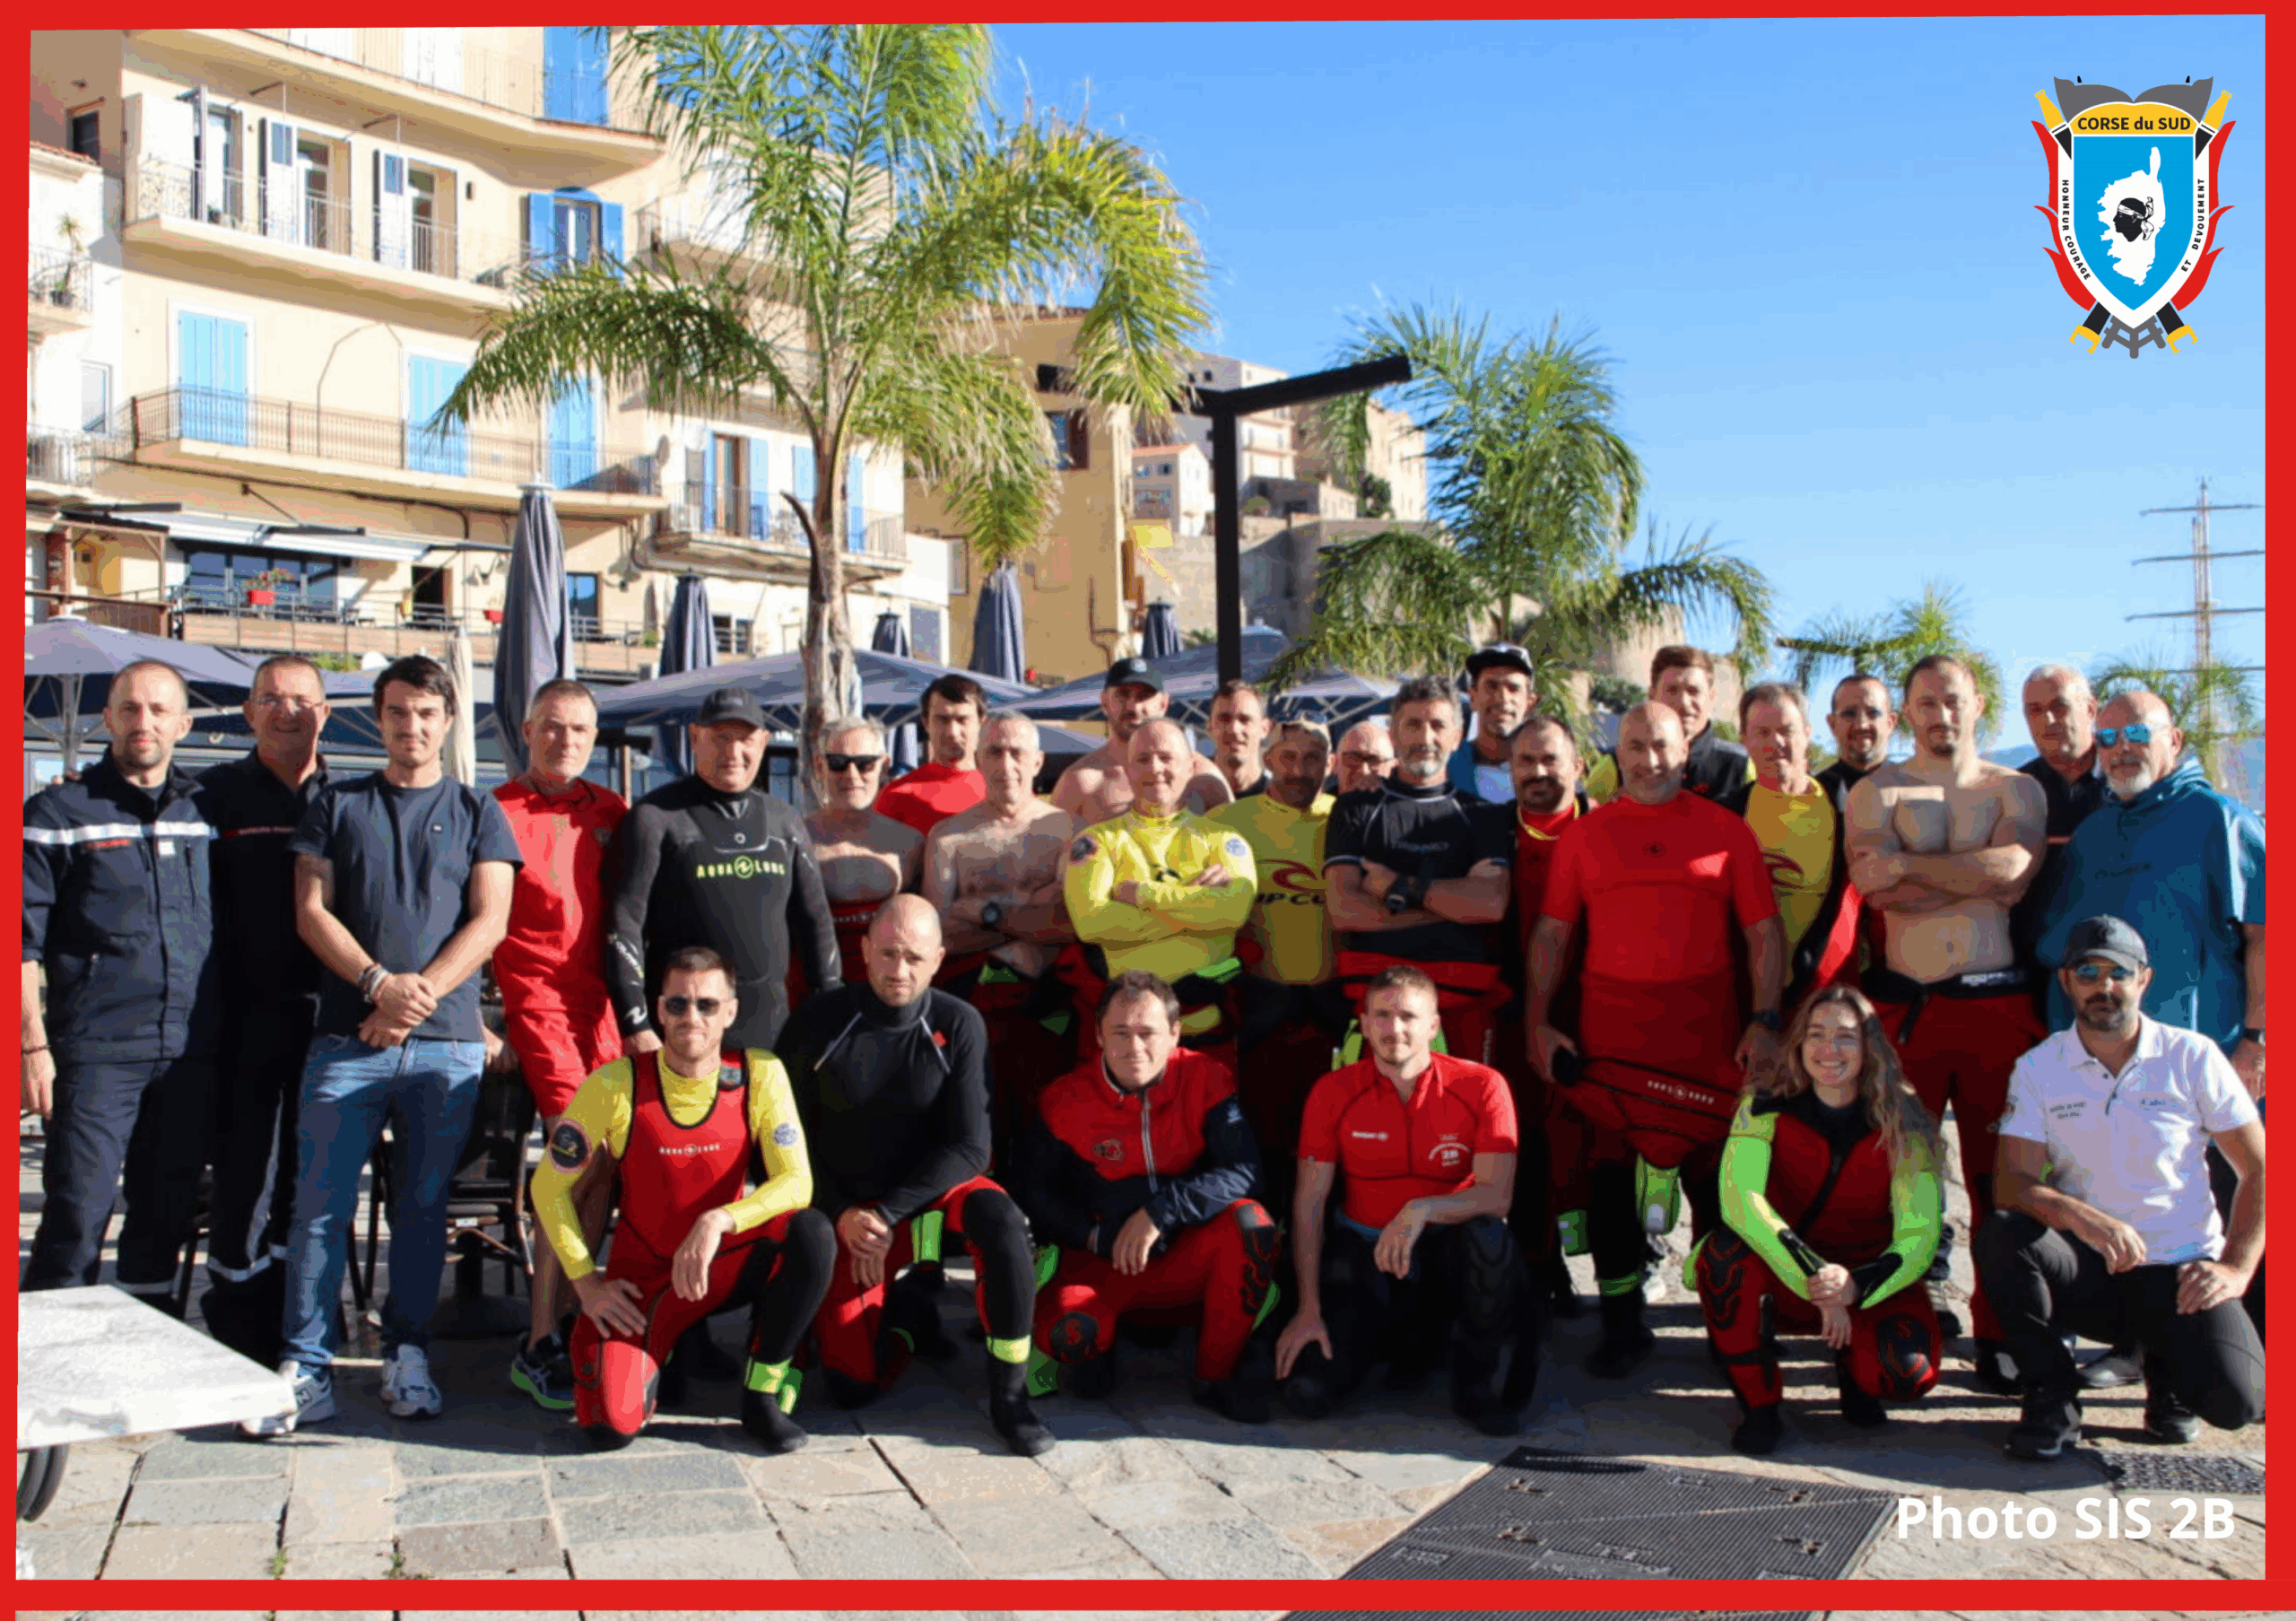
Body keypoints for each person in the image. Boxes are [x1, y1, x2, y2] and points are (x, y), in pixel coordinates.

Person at [250, 655, 520, 1434]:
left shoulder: (478, 810)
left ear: (447, 721)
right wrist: (378, 985)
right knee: (318, 1211)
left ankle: (407, 1350)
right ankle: (305, 1363)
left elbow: (490, 920)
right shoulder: (336, 803)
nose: (412, 726)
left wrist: (414, 998)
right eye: (398, 712)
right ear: (379, 719)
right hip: (348, 1037)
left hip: (444, 1048)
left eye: (426, 713)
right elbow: (311, 910)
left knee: (422, 1208)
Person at [1526, 702, 1785, 1377]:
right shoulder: (1589, 834)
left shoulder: (1728, 831)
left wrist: (1766, 1019)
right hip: (1611, 1037)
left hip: (1709, 1037)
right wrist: (1537, 1018)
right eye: (1634, 746)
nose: (1648, 759)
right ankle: (1620, 1325)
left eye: (1661, 745)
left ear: (1688, 749)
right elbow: (1553, 932)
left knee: (1720, 1192)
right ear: (1616, 752)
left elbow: (1764, 933)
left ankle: (1729, 1326)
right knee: (1610, 1184)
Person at [1979, 915, 2265, 1460]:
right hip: (2093, 1271)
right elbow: (2012, 1184)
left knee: (2236, 1404)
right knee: (2004, 1234)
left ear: (2144, 980)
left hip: (2181, 1276)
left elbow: (2263, 1170)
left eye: (2119, 973)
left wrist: (2235, 1270)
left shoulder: (2193, 1056)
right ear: (2067, 981)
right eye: (2088, 971)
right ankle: (2052, 1399)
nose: (2103, 986)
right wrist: (2081, 1217)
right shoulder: (2039, 1068)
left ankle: (2168, 1374)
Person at [775, 896, 1052, 1456]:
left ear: (938, 959)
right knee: (851, 1387)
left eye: (914, 958)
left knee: (1001, 1219)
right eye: (888, 954)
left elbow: (973, 1147)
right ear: (863, 950)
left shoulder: (958, 1021)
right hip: (848, 1213)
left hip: (917, 1209)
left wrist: (887, 1212)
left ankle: (1011, 1396)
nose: (899, 971)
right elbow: (781, 1144)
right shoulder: (816, 1021)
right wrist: (843, 1213)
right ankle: (905, 1317)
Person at [533, 946, 836, 1451]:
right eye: (677, 1005)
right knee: (609, 1427)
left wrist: (719, 1220)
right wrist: (586, 1284)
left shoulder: (761, 1073)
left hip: (720, 1263)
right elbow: (548, 1186)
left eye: (707, 1005)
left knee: (812, 1233)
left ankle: (761, 1395)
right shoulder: (615, 1083)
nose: (691, 1017)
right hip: (643, 1283)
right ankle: (667, 1351)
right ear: (658, 1008)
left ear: (731, 1011)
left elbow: (797, 1183)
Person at [2037, 690, 2266, 1345]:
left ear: (2175, 737)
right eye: (2106, 738)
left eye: (2137, 731)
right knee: (2126, 1208)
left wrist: (2257, 1041)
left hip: (2206, 1062)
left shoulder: (2220, 819)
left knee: (2211, 1212)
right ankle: (2134, 1348)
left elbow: (2268, 934)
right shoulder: (2095, 832)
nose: (2120, 748)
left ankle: (2212, 1354)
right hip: (2107, 1068)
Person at [1845, 654, 2048, 1393]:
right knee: (1905, 1173)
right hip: (1910, 1006)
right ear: (1907, 710)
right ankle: (1904, 1326)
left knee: (2006, 1181)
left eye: (1952, 698)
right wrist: (1971, 872)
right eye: (1925, 700)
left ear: (1977, 703)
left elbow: (2015, 874)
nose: (1941, 712)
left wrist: (1915, 869)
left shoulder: (2015, 786)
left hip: (1998, 1003)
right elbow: (1873, 882)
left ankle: (2005, 1331)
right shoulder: (1876, 790)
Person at [22, 661, 221, 1311]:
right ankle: (51, 1364)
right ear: (106, 718)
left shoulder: (205, 811)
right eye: (130, 709)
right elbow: (19, 946)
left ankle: (148, 1354)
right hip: (97, 1051)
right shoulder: (56, 811)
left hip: (189, 1052)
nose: (145, 722)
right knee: (78, 1211)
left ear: (183, 724)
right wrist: (32, 1049)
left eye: (160, 710)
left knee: (163, 1215)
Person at [1274, 965, 1533, 1435]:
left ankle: (1477, 1386)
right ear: (1366, 1023)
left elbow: (1497, 1197)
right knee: (1310, 1395)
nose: (1395, 1029)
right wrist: (1308, 1306)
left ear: (1434, 1025)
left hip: (1444, 1256)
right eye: (1383, 1016)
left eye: (1409, 1017)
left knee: (1488, 1238)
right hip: (1364, 1256)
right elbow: (1308, 1204)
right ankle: (1374, 1347)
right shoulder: (1333, 1091)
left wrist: (1422, 1210)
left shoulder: (1482, 1085)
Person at [1018, 972, 1279, 1422]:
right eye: (1120, 1032)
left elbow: (1245, 1171)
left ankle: (1214, 1375)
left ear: (1176, 1032)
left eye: (1148, 1033)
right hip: (1105, 1263)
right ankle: (1103, 1346)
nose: (1134, 1047)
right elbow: (1032, 1194)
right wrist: (1094, 1236)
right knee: (1070, 1340)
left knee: (1251, 1222)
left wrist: (1163, 1209)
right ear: (1099, 1034)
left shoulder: (1207, 1077)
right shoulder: (1063, 1100)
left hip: (1185, 1258)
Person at [1697, 988, 1944, 1456]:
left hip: (1867, 1278)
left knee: (1905, 1374)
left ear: (1870, 1047)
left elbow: (1921, 1233)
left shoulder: (1905, 1117)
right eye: (1817, 1034)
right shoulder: (1764, 1103)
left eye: (1846, 1037)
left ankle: (1856, 1372)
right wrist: (1818, 1280)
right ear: (1798, 1043)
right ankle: (1761, 1406)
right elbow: (1741, 1201)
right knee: (1723, 1260)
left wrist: (1854, 1288)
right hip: (1787, 1272)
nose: (1829, 1050)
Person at [491, 677, 628, 1411]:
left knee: (605, 1168)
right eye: (551, 727)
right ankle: (541, 1335)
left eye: (578, 729)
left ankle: (574, 1310)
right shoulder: (495, 810)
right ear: (526, 727)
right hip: (538, 1005)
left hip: (605, 1008)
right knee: (574, 1163)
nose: (564, 740)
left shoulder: (612, 811)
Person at [194, 655, 332, 1362]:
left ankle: (292, 1317)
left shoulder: (346, 797)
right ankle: (237, 1326)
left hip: (329, 1023)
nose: (288, 712)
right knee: (245, 1173)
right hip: (240, 1020)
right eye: (271, 699)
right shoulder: (211, 796)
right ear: (248, 713)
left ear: (325, 713)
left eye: (302, 700)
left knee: (306, 1179)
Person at [607, 684, 839, 1056]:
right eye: (720, 738)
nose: (733, 752)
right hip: (683, 1032)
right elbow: (624, 927)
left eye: (745, 739)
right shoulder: (655, 818)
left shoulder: (785, 821)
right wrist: (634, 1022)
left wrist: (830, 1003)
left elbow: (815, 921)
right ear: (695, 738)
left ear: (763, 742)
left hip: (771, 1031)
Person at [1324, 675, 1512, 1066]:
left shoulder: (1483, 815)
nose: (1425, 737)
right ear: (1392, 734)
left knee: (1462, 1125)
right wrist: (1447, 909)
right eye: (1413, 724)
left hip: (1461, 1007)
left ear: (1457, 737)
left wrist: (1397, 887)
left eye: (1438, 725)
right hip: (1378, 1011)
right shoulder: (1355, 808)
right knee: (1375, 1125)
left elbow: (1490, 905)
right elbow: (1345, 911)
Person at [920, 711, 1078, 1149]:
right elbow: (939, 939)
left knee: (1048, 1127)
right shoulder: (949, 838)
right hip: (973, 1007)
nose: (1006, 763)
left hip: (1050, 1009)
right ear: (978, 759)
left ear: (1038, 761)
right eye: (994, 751)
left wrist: (983, 911)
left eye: (1017, 752)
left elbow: (1072, 926)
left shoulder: (1067, 831)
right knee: (978, 1125)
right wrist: (1029, 913)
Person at [1211, 719, 1348, 1201]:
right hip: (1259, 1007)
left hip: (1336, 1010)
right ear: (1267, 759)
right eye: (1288, 756)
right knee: (1260, 1144)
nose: (1299, 769)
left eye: (1312, 758)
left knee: (1332, 1147)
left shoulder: (1347, 817)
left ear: (1330, 765)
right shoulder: (1228, 823)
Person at [1063, 719, 1257, 1054]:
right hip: (1131, 1037)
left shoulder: (1223, 839)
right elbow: (1091, 922)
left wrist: (1144, 896)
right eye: (1143, 759)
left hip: (1209, 1027)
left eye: (1167, 758)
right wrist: (1199, 912)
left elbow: (1234, 911)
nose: (1156, 768)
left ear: (1190, 766)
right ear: (1126, 768)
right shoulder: (1096, 841)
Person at [1498, 713, 1591, 1311]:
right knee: (1522, 1140)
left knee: (1591, 1146)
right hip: (1510, 1010)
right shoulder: (1490, 833)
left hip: (1593, 1008)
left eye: (1550, 759)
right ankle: (1536, 1265)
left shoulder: (1606, 826)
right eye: (1525, 761)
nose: (1538, 771)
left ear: (1578, 765)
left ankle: (1620, 1288)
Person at [1721, 682, 1864, 1015]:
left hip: (1830, 1005)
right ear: (1744, 738)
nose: (1777, 743)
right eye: (1763, 732)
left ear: (1808, 733)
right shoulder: (1725, 817)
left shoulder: (1850, 809)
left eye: (1787, 730)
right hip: (1747, 1005)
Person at [802, 716, 923, 984]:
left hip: (889, 988)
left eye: (865, 764)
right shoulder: (796, 839)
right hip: (815, 988)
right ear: (819, 767)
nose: (852, 776)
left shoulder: (909, 843)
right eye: (838, 764)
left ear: (884, 767)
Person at [1049, 657, 1231, 824]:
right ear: (1104, 702)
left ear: (1163, 704)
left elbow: (1232, 842)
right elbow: (1055, 850)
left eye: (1144, 696)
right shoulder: (1082, 782)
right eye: (1123, 694)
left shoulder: (1202, 776)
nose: (1134, 706)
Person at [2011, 665, 2108, 964]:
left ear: (2091, 709)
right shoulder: (2015, 791)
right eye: (2035, 711)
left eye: (2059, 707)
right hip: (2038, 968)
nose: (2048, 720)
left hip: (2117, 965)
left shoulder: (2127, 783)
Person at [1586, 645, 1755, 805]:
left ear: (1712, 697)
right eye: (1672, 690)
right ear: (1652, 694)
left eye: (1693, 691)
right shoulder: (1615, 765)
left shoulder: (1739, 766)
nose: (1683, 702)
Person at [875, 674, 987, 836]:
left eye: (962, 720)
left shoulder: (1002, 791)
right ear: (926, 724)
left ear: (981, 723)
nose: (952, 732)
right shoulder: (896, 796)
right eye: (942, 720)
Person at [1448, 642, 1536, 803]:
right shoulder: (1446, 770)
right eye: (1492, 686)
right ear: (1473, 698)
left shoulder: (1544, 777)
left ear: (1530, 703)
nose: (1502, 698)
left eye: (1513, 688)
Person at [1815, 672, 1896, 810]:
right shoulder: (1812, 797)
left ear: (1890, 722)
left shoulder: (1917, 793)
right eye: (1849, 713)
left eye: (1873, 713)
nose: (1861, 725)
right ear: (1832, 724)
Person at [1207, 678, 1274, 799]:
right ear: (1209, 727)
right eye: (1224, 719)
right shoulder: (1186, 796)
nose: (1233, 729)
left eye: (1244, 719)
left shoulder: (1282, 800)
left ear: (1265, 728)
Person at [1333, 719, 1396, 797]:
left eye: (1374, 760)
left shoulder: (1407, 807)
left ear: (1393, 767)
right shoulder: (1317, 806)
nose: (1364, 771)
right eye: (1352, 759)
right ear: (1335, 763)